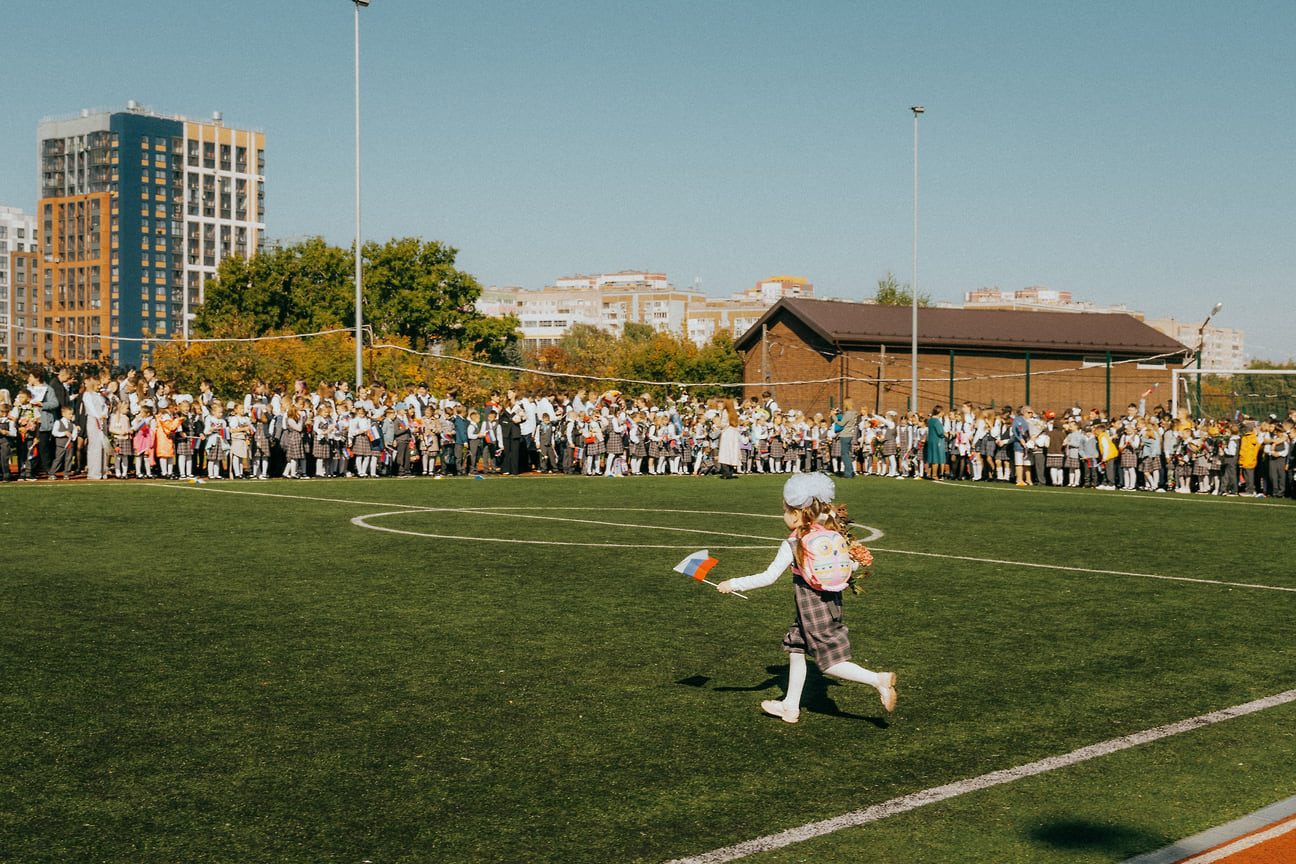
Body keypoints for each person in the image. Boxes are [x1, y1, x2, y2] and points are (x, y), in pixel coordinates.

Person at [717, 473, 897, 724]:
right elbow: (849, 566)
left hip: (812, 611)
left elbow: (768, 577)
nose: (783, 516)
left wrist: (732, 583)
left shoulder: (794, 543)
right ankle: (790, 707)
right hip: (830, 605)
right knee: (796, 649)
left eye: (785, 511)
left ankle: (877, 680)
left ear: (795, 514)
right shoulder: (827, 535)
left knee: (830, 663)